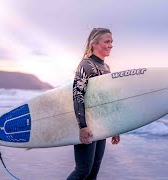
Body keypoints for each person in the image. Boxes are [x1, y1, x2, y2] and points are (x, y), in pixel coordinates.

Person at [67, 28, 120, 180]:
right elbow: (77, 96)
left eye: (111, 42)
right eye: (107, 42)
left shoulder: (106, 68)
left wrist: (115, 127)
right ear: (94, 44)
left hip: (101, 125)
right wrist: (82, 126)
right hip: (87, 124)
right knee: (83, 170)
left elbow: (106, 101)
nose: (110, 45)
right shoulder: (86, 65)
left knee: (93, 173)